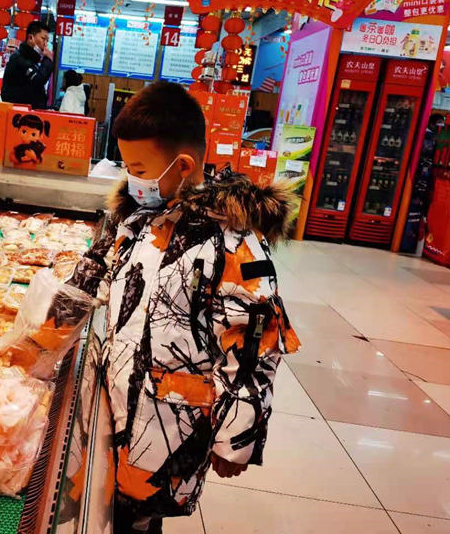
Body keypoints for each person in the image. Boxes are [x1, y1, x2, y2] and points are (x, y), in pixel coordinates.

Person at [64, 82, 299, 534]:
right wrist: (51, 323)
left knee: (141, 514)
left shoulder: (234, 243)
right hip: (116, 399)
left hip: (172, 426)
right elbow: (98, 267)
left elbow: (255, 342)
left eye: (138, 168)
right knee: (110, 508)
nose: (131, 178)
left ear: (184, 166)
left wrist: (237, 437)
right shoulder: (137, 217)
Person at [1, 21, 54, 109]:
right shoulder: (19, 58)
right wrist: (48, 60)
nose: (45, 44)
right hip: (20, 112)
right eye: (43, 39)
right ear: (30, 38)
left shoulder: (32, 60)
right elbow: (38, 80)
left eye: (47, 41)